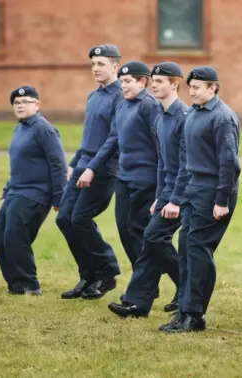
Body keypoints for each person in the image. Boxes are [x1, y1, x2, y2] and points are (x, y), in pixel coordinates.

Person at [159, 66, 240, 333]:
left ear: (213, 88)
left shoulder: (222, 117)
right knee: (186, 247)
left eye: (197, 87)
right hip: (193, 189)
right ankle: (184, 311)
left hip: (213, 192)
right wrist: (179, 195)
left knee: (198, 248)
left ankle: (195, 315)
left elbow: (229, 163)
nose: (191, 91)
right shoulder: (193, 114)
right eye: (190, 87)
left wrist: (222, 200)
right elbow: (185, 160)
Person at [108, 62, 188, 318]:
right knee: (150, 239)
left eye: (160, 81)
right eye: (153, 80)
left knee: (152, 238)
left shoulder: (182, 117)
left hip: (183, 192)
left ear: (174, 84)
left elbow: (186, 164)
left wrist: (173, 198)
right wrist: (160, 196)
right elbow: (164, 161)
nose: (154, 84)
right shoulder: (163, 116)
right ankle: (138, 303)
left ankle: (184, 289)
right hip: (164, 190)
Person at [79, 61, 165, 298]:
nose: (123, 86)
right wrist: (92, 167)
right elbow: (113, 140)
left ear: (142, 82)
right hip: (124, 178)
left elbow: (161, 148)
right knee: (126, 232)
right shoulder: (123, 105)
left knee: (142, 234)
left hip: (145, 180)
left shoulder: (149, 106)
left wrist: (161, 186)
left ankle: (146, 286)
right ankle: (146, 283)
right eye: (123, 81)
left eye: (128, 82)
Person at [56, 44, 123, 300]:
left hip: (103, 171)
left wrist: (92, 167)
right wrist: (74, 163)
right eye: (93, 65)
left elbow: (114, 139)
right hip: (83, 166)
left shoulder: (120, 96)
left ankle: (107, 272)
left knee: (80, 219)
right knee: (64, 219)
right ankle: (88, 275)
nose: (95, 69)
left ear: (115, 66)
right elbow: (89, 137)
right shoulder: (93, 96)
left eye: (101, 64)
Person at [0, 85, 67, 295]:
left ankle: (29, 284)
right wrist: (7, 190)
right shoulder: (21, 127)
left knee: (16, 237)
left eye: (26, 102)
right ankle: (16, 284)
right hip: (16, 191)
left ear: (37, 104)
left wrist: (59, 198)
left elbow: (58, 165)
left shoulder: (44, 129)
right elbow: (18, 164)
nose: (21, 105)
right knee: (0, 237)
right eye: (17, 103)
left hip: (35, 193)